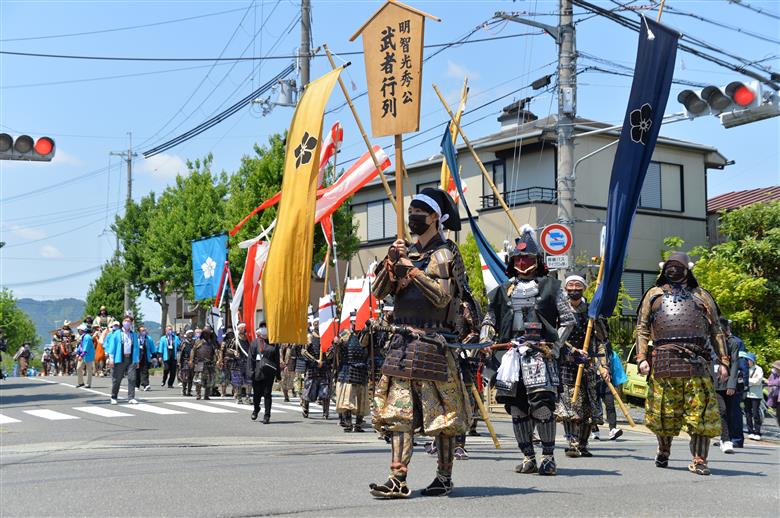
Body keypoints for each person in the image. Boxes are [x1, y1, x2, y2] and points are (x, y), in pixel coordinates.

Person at [369, 188, 471, 498]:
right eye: (410, 210)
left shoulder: (445, 253)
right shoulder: (405, 251)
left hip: (433, 342)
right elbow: (378, 292)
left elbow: (442, 296)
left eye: (418, 211)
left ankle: (443, 476)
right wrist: (391, 263)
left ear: (434, 218)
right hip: (401, 342)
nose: (412, 216)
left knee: (441, 416)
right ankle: (397, 478)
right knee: (398, 414)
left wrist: (411, 272)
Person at [481, 225, 575, 476]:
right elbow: (489, 320)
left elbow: (568, 320)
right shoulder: (501, 291)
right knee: (517, 408)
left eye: (527, 258)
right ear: (513, 261)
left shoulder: (552, 287)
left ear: (537, 260)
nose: (523, 262)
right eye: (518, 258)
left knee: (543, 406)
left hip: (540, 355)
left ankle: (547, 457)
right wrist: (485, 341)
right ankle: (527, 457)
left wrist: (553, 346)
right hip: (510, 355)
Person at [636, 251, 729, 476]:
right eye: (670, 266)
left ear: (688, 269)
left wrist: (724, 360)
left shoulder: (702, 296)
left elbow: (716, 329)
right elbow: (642, 328)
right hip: (664, 363)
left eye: (678, 266)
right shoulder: (653, 295)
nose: (673, 270)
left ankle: (699, 459)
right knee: (663, 414)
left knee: (701, 416)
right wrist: (641, 358)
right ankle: (664, 449)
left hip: (697, 364)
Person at [553, 274, 607, 458]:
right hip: (566, 364)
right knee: (570, 406)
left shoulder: (592, 312)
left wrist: (603, 365)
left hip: (589, 365)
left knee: (588, 407)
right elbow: (556, 337)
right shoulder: (559, 311)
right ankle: (572, 443)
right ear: (566, 289)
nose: (574, 289)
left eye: (577, 286)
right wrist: (573, 352)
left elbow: (601, 341)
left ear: (583, 288)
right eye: (570, 286)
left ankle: (583, 444)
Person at [334, 312, 370, 433]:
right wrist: (337, 343)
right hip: (347, 369)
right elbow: (334, 351)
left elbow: (369, 346)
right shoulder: (344, 334)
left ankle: (359, 424)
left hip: (362, 369)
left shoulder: (366, 334)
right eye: (354, 321)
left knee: (362, 400)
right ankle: (348, 423)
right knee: (347, 399)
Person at [712, 317, 743, 453]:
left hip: (728, 383)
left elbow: (736, 364)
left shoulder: (733, 343)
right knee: (722, 410)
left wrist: (732, 384)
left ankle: (726, 437)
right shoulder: (709, 343)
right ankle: (726, 440)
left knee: (729, 412)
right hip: (713, 383)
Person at [247, 323, 280, 423]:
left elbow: (277, 359)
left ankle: (267, 415)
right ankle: (256, 409)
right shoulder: (254, 343)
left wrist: (278, 374)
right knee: (256, 394)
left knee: (267, 394)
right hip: (257, 372)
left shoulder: (273, 343)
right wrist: (250, 372)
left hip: (268, 373)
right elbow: (250, 359)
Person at [105, 315, 140, 405]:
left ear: (131, 323)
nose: (127, 323)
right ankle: (114, 396)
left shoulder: (134, 335)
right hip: (120, 358)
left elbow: (136, 348)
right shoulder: (117, 333)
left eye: (129, 321)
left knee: (132, 378)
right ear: (122, 322)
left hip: (131, 359)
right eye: (125, 321)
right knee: (117, 379)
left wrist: (137, 360)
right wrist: (111, 359)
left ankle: (131, 397)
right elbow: (112, 347)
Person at [300, 323, 332, 419]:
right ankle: (305, 409)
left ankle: (325, 412)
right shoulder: (309, 337)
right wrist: (315, 361)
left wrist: (327, 358)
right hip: (312, 368)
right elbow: (304, 352)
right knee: (308, 390)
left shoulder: (326, 337)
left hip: (324, 368)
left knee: (325, 391)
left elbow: (330, 353)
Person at [190, 325, 217, 400]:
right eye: (205, 333)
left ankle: (206, 395)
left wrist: (218, 360)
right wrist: (191, 360)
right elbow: (193, 350)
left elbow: (216, 352)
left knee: (209, 381)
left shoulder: (212, 343)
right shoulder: (198, 342)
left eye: (208, 333)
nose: (207, 334)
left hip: (209, 363)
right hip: (200, 363)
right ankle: (198, 394)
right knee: (198, 381)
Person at [745, 353, 764, 440]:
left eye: (748, 360)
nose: (747, 362)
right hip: (746, 394)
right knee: (748, 413)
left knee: (756, 414)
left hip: (756, 395)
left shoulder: (758, 369)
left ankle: (757, 432)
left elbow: (758, 381)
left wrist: (747, 381)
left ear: (752, 361)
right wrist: (751, 381)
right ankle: (750, 431)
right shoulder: (745, 369)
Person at [135, 326, 156, 392]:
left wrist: (154, 356)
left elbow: (152, 348)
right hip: (137, 357)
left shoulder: (149, 338)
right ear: (139, 332)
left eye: (144, 330)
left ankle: (146, 385)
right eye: (142, 330)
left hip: (146, 357)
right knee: (137, 372)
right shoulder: (135, 338)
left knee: (145, 371)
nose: (144, 332)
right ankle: (136, 385)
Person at [75, 324, 94, 388]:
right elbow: (80, 346)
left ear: (82, 330)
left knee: (89, 370)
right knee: (78, 368)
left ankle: (88, 384)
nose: (78, 330)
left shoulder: (87, 337)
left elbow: (86, 348)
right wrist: (78, 353)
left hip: (88, 355)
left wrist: (81, 355)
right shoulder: (83, 336)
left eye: (79, 329)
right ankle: (81, 382)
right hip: (83, 355)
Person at [178, 329, 195, 396]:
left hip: (192, 361)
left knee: (191, 377)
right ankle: (184, 391)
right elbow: (180, 353)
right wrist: (179, 362)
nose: (190, 335)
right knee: (185, 377)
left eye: (191, 333)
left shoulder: (194, 342)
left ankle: (189, 391)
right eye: (189, 333)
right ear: (187, 335)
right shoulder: (184, 343)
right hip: (185, 361)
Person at [766, 360, 780, 429]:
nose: (774, 369)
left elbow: (777, 382)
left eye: (776, 368)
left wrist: (770, 383)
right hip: (775, 397)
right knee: (778, 416)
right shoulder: (773, 374)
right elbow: (769, 381)